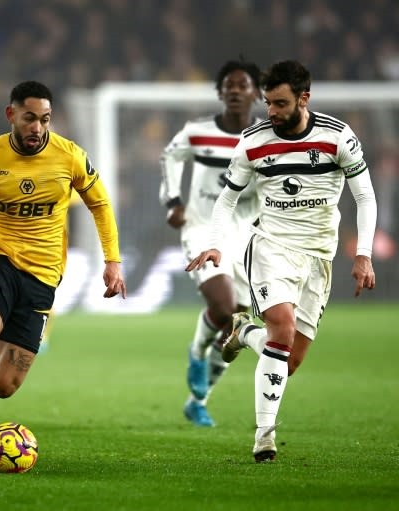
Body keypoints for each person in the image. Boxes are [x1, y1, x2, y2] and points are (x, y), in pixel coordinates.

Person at [0, 80, 127, 472]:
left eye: (45, 119)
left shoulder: (69, 156)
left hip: (43, 276)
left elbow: (100, 204)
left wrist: (112, 261)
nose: (38, 127)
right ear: (11, 114)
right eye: (30, 118)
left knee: (2, 386)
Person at [186, 60, 377, 461]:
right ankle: (264, 438)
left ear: (304, 98)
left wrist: (363, 254)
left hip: (319, 257)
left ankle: (244, 332)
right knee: (282, 330)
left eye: (280, 103)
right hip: (270, 247)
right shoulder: (253, 142)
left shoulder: (338, 137)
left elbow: (364, 197)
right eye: (268, 103)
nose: (271, 111)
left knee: (287, 361)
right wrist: (216, 243)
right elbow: (227, 199)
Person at [159, 60, 263, 427]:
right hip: (203, 229)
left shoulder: (264, 139)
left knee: (235, 326)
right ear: (220, 92)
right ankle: (197, 352)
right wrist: (173, 201)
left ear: (256, 93)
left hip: (247, 235)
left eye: (243, 85)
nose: (235, 90)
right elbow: (170, 156)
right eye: (229, 85)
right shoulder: (198, 132)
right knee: (222, 305)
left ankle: (198, 400)